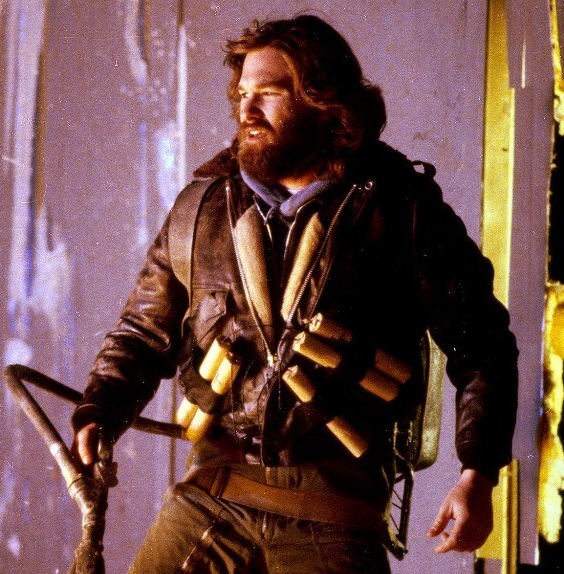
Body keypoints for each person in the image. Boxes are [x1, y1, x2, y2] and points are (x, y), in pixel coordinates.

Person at [72, 14, 518, 573]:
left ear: (328, 106)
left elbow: (483, 347)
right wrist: (100, 409)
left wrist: (478, 472)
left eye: (269, 93)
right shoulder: (199, 213)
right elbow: (142, 335)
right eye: (242, 94)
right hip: (214, 490)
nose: (247, 110)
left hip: (335, 504)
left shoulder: (403, 213)